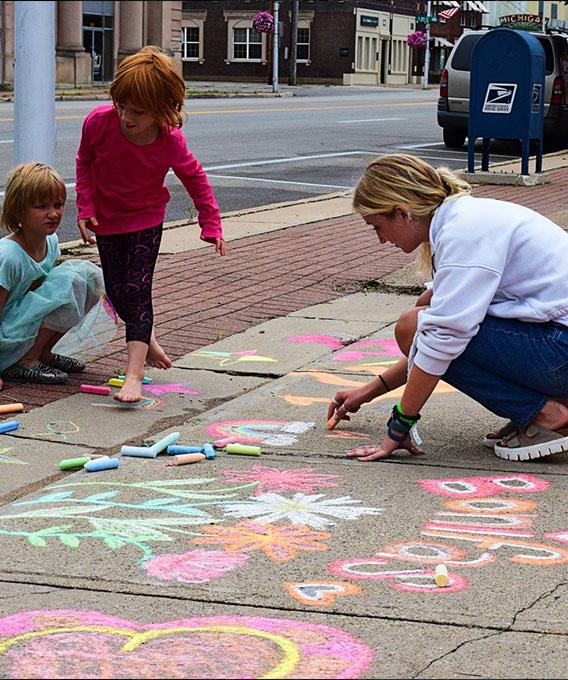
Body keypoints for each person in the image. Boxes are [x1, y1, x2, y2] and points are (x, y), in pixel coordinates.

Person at [328, 154, 568, 462]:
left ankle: (549, 415)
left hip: (561, 352)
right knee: (424, 311)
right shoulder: (463, 218)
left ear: (402, 213)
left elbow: (439, 339)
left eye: (377, 226)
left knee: (413, 325)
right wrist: (369, 391)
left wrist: (399, 427)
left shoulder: (463, 232)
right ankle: (542, 408)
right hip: (557, 345)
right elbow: (434, 337)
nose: (380, 240)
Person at [75, 45, 225, 404]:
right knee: (116, 291)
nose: (126, 117)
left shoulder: (169, 141)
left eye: (138, 112)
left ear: (163, 108)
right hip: (109, 220)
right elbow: (85, 163)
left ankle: (134, 372)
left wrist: (211, 223)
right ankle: (147, 339)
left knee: (138, 289)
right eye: (121, 106)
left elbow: (195, 178)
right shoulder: (99, 122)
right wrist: (85, 207)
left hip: (146, 219)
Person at [0, 162, 113, 388]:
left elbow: (47, 294)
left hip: (20, 324)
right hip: (5, 336)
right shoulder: (8, 255)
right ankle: (24, 360)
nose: (53, 213)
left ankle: (43, 353)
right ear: (18, 210)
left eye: (58, 204)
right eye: (41, 207)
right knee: (72, 279)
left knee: (88, 280)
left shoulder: (50, 242)